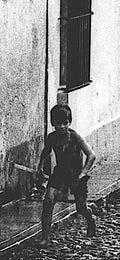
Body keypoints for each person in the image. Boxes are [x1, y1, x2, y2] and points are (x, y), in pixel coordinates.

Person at [36, 105, 97, 248]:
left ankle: (90, 218)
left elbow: (91, 155)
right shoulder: (51, 138)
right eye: (58, 123)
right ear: (53, 123)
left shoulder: (75, 137)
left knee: (81, 208)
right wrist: (39, 168)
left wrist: (83, 173)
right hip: (60, 172)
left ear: (69, 123)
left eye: (65, 123)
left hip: (76, 175)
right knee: (48, 201)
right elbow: (45, 153)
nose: (62, 126)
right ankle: (45, 238)